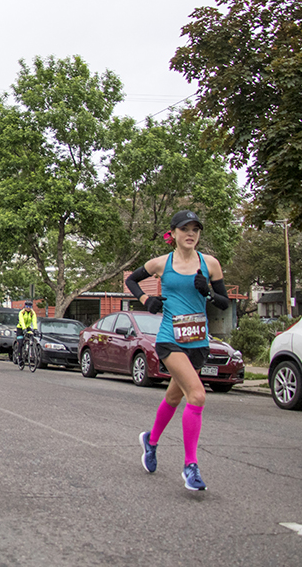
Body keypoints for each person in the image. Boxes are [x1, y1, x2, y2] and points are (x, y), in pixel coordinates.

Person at [125, 210, 230, 491]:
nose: (191, 234)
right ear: (172, 234)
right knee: (196, 395)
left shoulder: (210, 264)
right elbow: (131, 280)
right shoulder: (161, 263)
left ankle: (151, 440)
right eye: (185, 229)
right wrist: (147, 300)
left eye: (196, 229)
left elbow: (224, 303)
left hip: (198, 341)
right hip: (170, 339)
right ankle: (190, 466)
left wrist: (207, 291)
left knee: (173, 396)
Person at [14, 300, 39, 365]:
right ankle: (20, 358)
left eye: (30, 307)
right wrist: (24, 329)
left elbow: (34, 321)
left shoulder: (32, 313)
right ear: (25, 306)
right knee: (20, 342)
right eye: (27, 306)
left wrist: (35, 329)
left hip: (28, 327)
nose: (28, 308)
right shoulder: (21, 313)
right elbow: (21, 321)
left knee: (32, 337)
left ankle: (30, 350)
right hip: (20, 328)